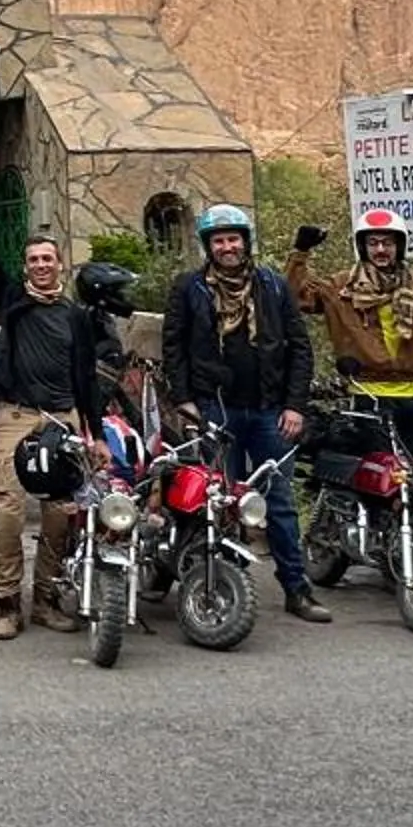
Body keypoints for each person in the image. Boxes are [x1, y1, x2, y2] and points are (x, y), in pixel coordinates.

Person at [0, 151, 120, 640]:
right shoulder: (14, 299)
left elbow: (86, 378)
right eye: (33, 260)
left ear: (60, 264)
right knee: (7, 510)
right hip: (15, 416)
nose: (41, 265)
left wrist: (96, 434)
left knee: (60, 514)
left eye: (48, 259)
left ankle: (46, 598)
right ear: (25, 267)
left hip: (62, 418)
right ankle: (7, 602)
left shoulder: (74, 317)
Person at [160, 204, 332, 625]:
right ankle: (224, 586)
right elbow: (173, 345)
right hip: (215, 410)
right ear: (208, 246)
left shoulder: (272, 286)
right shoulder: (190, 288)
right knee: (219, 502)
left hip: (271, 411)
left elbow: (299, 347)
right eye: (218, 241)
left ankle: (296, 588)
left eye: (233, 239)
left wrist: (295, 405)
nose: (227, 247)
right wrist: (184, 399)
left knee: (280, 503)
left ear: (245, 241)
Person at [286, 208, 413, 465]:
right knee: (383, 473)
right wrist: (300, 252)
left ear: (399, 246)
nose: (380, 250)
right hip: (370, 395)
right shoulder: (341, 287)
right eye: (373, 243)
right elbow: (295, 298)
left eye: (388, 243)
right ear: (362, 247)